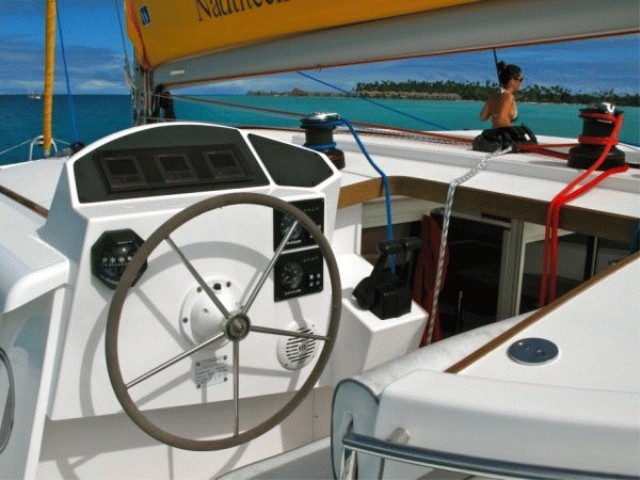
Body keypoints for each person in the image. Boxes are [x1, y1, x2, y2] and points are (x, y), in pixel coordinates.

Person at [480, 62, 523, 128]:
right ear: (512, 81)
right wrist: (516, 130)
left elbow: (483, 117)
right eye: (521, 80)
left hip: (494, 133)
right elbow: (501, 120)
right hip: (504, 134)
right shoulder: (509, 97)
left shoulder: (492, 97)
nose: (521, 83)